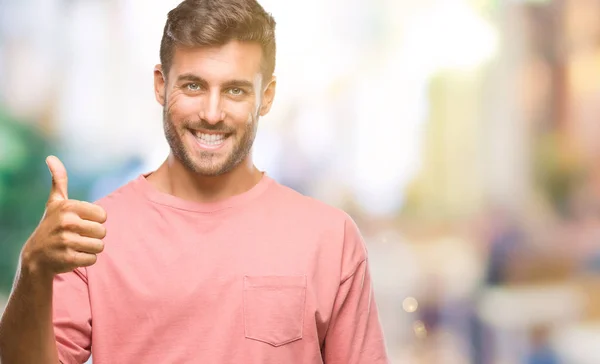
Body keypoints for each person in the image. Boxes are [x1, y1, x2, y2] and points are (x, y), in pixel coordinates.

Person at [0, 0, 390, 363]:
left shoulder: (330, 238)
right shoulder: (93, 233)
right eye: (193, 86)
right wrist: (33, 266)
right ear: (160, 85)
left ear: (266, 96)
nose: (212, 112)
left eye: (235, 90)